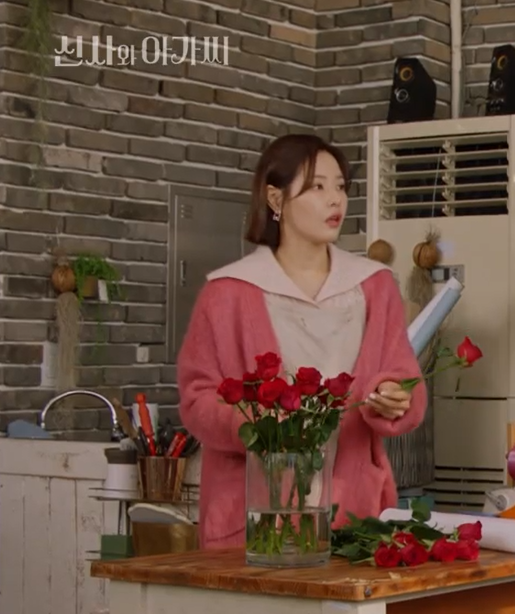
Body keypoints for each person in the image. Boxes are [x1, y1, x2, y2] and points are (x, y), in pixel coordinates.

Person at [177, 134, 428, 549]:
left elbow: (404, 380)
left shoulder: (374, 285)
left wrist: (395, 396)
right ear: (276, 199)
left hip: (354, 516)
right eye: (317, 187)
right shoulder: (227, 292)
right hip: (254, 520)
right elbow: (196, 399)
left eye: (340, 187)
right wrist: (256, 426)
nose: (335, 200)